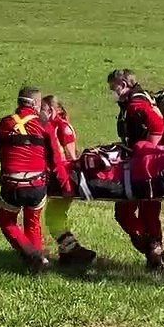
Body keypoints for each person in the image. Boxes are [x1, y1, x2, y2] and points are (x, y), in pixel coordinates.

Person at [0, 85, 69, 272]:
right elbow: (56, 160)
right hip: (36, 185)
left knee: (6, 221)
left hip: (12, 184)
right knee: (33, 223)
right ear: (36, 104)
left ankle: (32, 256)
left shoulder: (5, 123)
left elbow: (2, 153)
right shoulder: (44, 125)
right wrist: (65, 185)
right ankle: (37, 260)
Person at [107, 68, 164, 269]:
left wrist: (146, 152)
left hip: (144, 167)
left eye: (113, 87)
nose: (112, 91)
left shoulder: (136, 104)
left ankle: (151, 250)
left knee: (124, 212)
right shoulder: (139, 99)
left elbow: (158, 125)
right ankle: (155, 254)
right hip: (153, 166)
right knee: (149, 212)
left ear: (123, 85)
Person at [40, 95, 97, 267]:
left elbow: (72, 157)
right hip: (58, 177)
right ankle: (67, 254)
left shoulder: (63, 127)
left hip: (64, 178)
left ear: (51, 110)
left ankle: (77, 252)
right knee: (55, 216)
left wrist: (66, 180)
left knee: (53, 217)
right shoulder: (53, 125)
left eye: (42, 109)